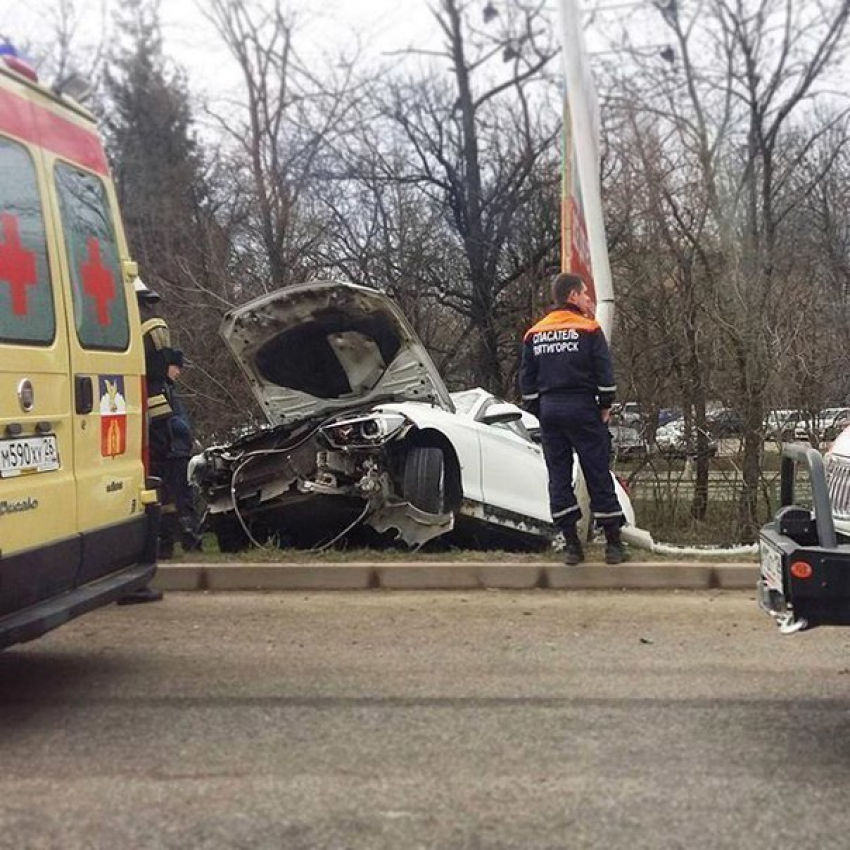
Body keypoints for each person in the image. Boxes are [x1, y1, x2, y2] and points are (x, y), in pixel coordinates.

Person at [519, 272, 625, 565]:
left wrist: (541, 410)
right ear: (572, 296)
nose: (588, 299)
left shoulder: (534, 333)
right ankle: (614, 545)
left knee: (558, 477)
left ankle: (571, 546)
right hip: (584, 409)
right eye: (584, 294)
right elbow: (605, 376)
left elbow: (526, 383)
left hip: (550, 412)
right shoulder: (589, 329)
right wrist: (605, 405)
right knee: (597, 473)